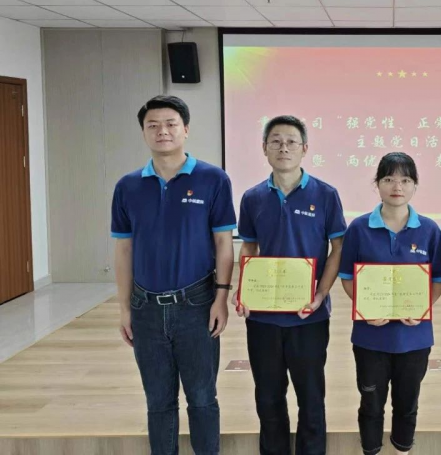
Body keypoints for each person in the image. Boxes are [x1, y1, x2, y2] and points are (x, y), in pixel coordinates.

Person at [112, 95, 236, 455]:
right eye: (153, 125)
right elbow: (124, 250)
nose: (162, 131)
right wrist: (125, 308)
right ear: (143, 132)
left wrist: (221, 298)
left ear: (185, 129)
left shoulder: (213, 179)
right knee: (158, 400)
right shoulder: (127, 186)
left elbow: (223, 243)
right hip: (145, 307)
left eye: (170, 124)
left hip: (196, 304)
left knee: (202, 397)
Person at [233, 115, 346, 455]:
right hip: (263, 317)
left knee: (311, 398)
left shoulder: (326, 194)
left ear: (304, 148)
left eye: (291, 142)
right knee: (268, 398)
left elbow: (338, 248)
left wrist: (321, 293)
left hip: (308, 315)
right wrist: (244, 291)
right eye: (276, 141)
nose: (284, 148)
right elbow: (249, 246)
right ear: (264, 148)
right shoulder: (253, 197)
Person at [338, 152, 441, 455]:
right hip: (370, 336)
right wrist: (365, 308)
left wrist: (422, 309)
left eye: (405, 180)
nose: (397, 186)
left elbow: (439, 279)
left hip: (415, 338)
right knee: (371, 403)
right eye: (388, 179)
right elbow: (347, 277)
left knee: (407, 403)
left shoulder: (429, 230)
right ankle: (371, 449)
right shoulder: (359, 228)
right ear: (377, 183)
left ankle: (402, 449)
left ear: (415, 185)